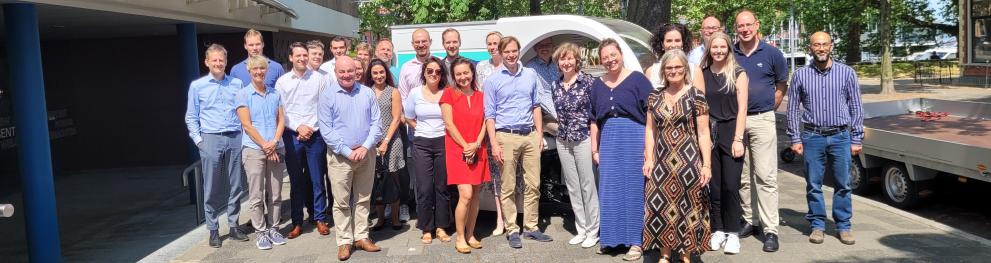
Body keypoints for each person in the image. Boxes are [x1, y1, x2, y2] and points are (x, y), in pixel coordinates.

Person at [787, 32, 863, 246]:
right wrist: (794, 137)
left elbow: (856, 107)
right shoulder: (800, 75)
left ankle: (843, 226)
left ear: (831, 46)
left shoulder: (847, 73)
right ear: (810, 48)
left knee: (843, 184)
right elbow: (792, 109)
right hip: (812, 137)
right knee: (813, 184)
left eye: (824, 44)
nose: (821, 48)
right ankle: (818, 225)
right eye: (816, 45)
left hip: (840, 136)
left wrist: (856, 138)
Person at [642, 49, 714, 263]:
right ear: (663, 71)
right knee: (660, 207)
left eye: (677, 67)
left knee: (688, 208)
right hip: (662, 163)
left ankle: (685, 254)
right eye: (669, 68)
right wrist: (649, 158)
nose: (673, 71)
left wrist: (706, 165)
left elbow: (703, 132)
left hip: (689, 162)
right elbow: (650, 130)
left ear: (685, 69)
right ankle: (664, 255)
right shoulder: (654, 96)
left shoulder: (696, 96)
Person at [483, 36, 553, 249]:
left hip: (530, 135)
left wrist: (539, 134)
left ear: (519, 51)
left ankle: (531, 227)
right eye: (507, 52)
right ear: (501, 53)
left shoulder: (530, 74)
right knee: (508, 185)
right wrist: (494, 143)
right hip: (506, 136)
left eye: (514, 51)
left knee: (534, 184)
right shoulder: (493, 80)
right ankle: (512, 228)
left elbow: (536, 106)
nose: (511, 55)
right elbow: (490, 115)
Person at [590, 38, 652, 261]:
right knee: (609, 190)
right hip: (609, 141)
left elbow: (651, 116)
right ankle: (610, 239)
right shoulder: (597, 85)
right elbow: (594, 120)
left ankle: (636, 242)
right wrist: (595, 150)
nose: (609, 60)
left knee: (635, 189)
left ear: (621, 54)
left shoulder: (638, 80)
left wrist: (649, 148)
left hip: (635, 139)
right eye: (605, 57)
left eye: (612, 55)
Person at [184, 44, 249, 248]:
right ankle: (213, 229)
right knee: (211, 187)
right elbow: (191, 116)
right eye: (214, 60)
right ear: (207, 62)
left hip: (235, 137)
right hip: (210, 138)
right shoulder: (197, 86)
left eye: (221, 60)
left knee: (236, 184)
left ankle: (233, 225)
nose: (218, 63)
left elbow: (243, 111)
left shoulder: (237, 84)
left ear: (226, 62)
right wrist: (199, 141)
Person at [318, 56, 383, 261]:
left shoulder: (367, 93)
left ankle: (362, 237)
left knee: (364, 198)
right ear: (335, 72)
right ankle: (345, 241)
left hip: (366, 153)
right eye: (342, 72)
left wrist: (365, 147)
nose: (346, 75)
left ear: (357, 72)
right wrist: (347, 151)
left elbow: (376, 123)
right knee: (341, 201)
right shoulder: (327, 96)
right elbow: (326, 130)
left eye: (350, 71)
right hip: (340, 157)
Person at [734, 9, 788, 252]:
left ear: (756, 25)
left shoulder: (773, 53)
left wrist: (767, 109)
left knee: (766, 176)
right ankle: (750, 220)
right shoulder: (731, 53)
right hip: (736, 121)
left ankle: (770, 229)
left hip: (762, 119)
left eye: (748, 25)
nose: (745, 29)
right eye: (740, 26)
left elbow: (781, 85)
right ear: (736, 28)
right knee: (743, 176)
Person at [699, 32, 749, 255]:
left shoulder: (738, 73)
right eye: (714, 47)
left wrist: (738, 138)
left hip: (731, 132)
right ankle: (717, 229)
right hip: (710, 132)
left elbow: (743, 109)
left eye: (722, 47)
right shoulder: (702, 73)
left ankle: (733, 232)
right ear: (709, 50)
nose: (718, 51)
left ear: (729, 49)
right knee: (715, 186)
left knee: (731, 185)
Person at [276, 42, 331, 239]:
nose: (301, 58)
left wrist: (310, 128)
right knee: (296, 181)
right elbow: (282, 110)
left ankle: (320, 218)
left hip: (315, 135)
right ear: (291, 58)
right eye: (297, 56)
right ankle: (297, 222)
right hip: (292, 135)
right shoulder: (282, 82)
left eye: (304, 55)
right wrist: (298, 127)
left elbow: (324, 106)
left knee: (318, 179)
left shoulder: (319, 79)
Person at [235, 55, 288, 250]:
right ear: (249, 71)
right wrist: (266, 145)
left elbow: (281, 120)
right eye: (255, 69)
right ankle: (260, 232)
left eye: (262, 69)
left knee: (275, 193)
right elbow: (247, 125)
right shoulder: (243, 95)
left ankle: (274, 228)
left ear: (266, 71)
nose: (259, 72)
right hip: (254, 150)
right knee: (256, 194)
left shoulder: (275, 93)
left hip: (275, 147)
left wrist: (273, 142)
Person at [550, 42, 601, 248]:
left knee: (588, 184)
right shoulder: (555, 85)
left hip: (583, 138)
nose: (566, 62)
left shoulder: (589, 82)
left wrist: (595, 144)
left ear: (576, 60)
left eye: (570, 58)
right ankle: (581, 228)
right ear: (558, 62)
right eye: (563, 58)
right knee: (572, 185)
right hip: (563, 139)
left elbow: (595, 114)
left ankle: (593, 230)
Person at [441, 57, 490, 254]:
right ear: (453, 76)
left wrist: (477, 144)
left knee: (476, 194)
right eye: (458, 74)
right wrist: (466, 146)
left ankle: (471, 233)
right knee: (466, 194)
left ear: (472, 73)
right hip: (457, 149)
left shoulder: (481, 95)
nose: (463, 77)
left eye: (466, 73)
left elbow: (486, 121)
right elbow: (449, 124)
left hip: (478, 148)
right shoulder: (448, 94)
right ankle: (460, 237)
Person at [405, 56, 453, 244]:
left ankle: (441, 227)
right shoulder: (415, 93)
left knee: (441, 187)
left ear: (442, 74)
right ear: (424, 73)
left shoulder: (447, 92)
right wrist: (420, 129)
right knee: (424, 187)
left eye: (438, 71)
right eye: (430, 71)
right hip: (422, 144)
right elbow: (408, 116)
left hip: (443, 142)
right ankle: (426, 227)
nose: (434, 74)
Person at [363, 58, 406, 231]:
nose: (379, 75)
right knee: (377, 180)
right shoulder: (366, 92)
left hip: (392, 140)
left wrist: (386, 141)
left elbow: (396, 119)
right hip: (373, 141)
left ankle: (395, 218)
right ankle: (380, 218)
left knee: (393, 179)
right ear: (370, 75)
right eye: (375, 73)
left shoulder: (393, 91)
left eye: (382, 72)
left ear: (386, 73)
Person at [475, 31, 509, 236]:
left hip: (507, 126)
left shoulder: (511, 66)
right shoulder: (481, 67)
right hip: (489, 127)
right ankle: (499, 219)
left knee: (508, 174)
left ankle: (510, 216)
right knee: (495, 175)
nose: (493, 46)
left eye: (496, 43)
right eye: (489, 43)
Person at [644, 23, 703, 90]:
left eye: (677, 40)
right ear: (662, 44)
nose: (673, 45)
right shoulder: (651, 72)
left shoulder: (695, 71)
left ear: (683, 43)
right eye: (669, 41)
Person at [399, 28, 433, 101]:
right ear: (412, 44)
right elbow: (403, 96)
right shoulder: (406, 67)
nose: (420, 45)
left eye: (424, 41)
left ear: (430, 42)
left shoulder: (441, 63)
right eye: (417, 42)